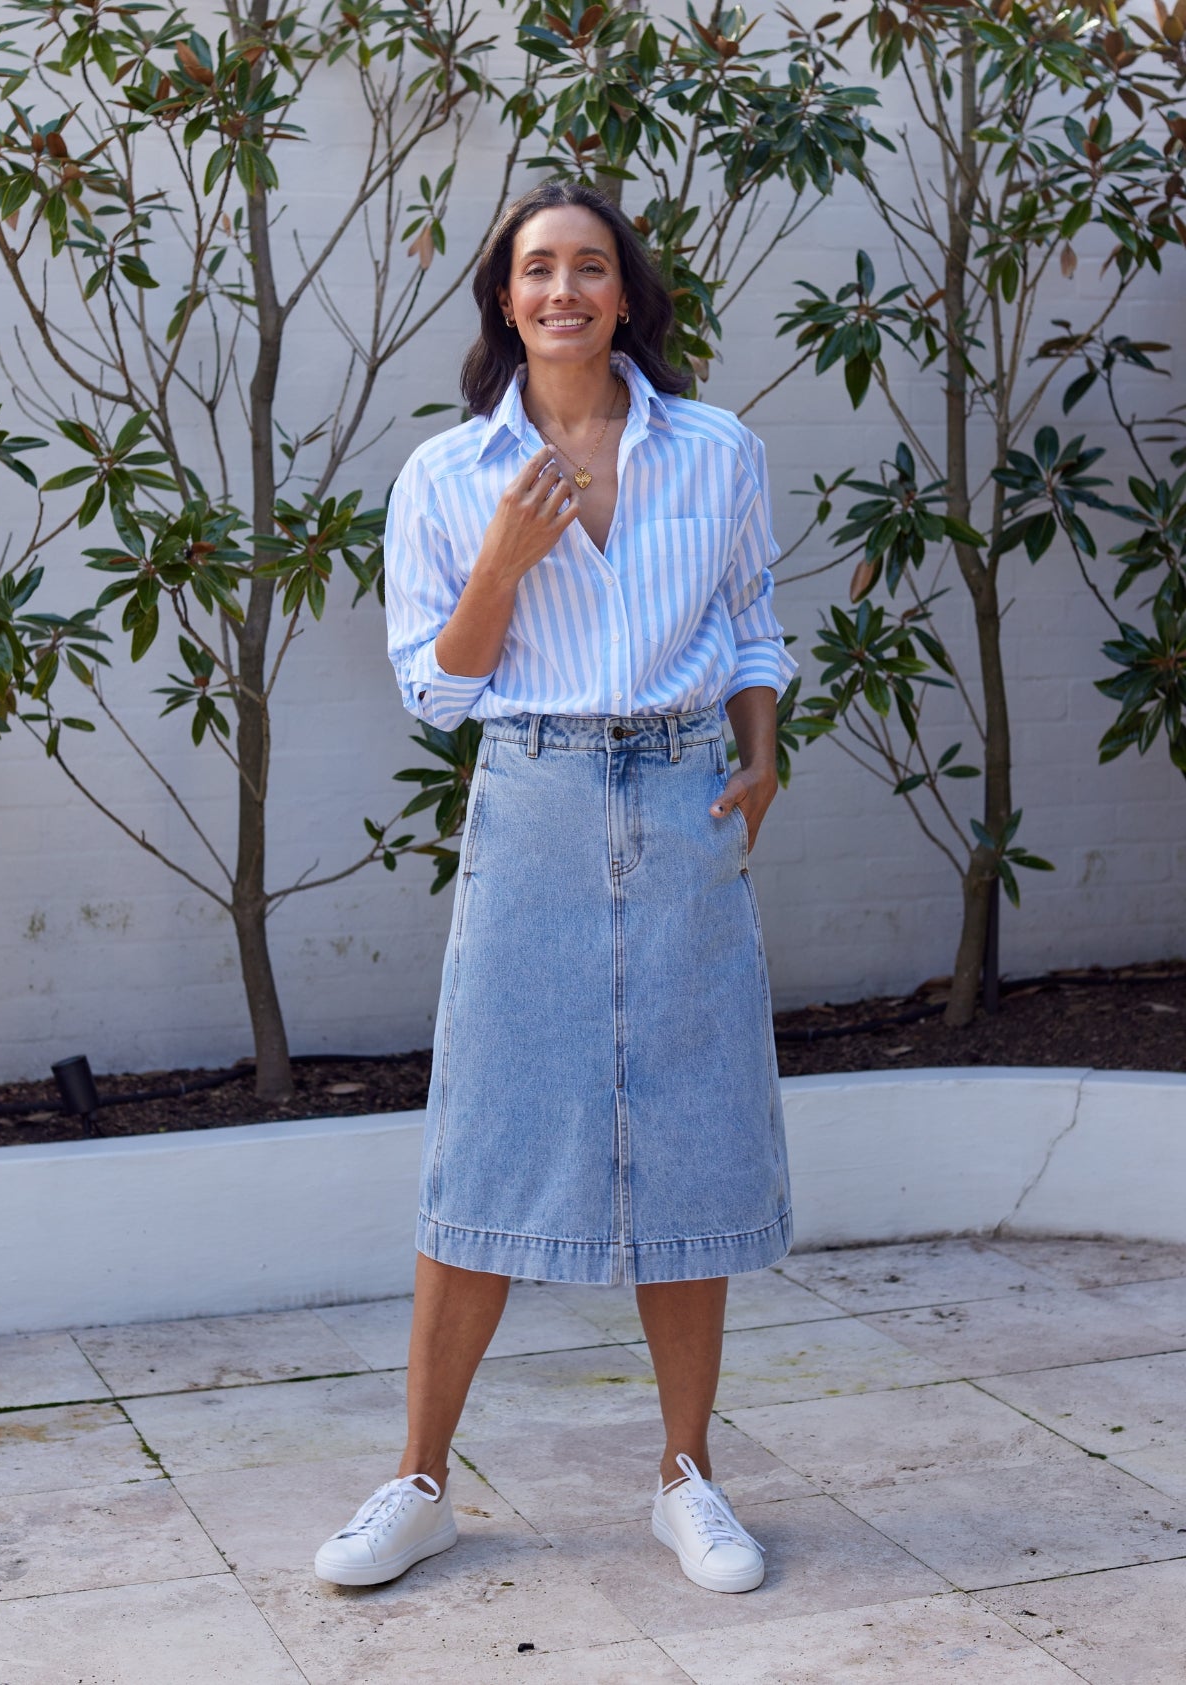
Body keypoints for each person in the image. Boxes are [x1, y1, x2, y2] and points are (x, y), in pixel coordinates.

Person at [314, 180, 796, 1597]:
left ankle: (687, 1477)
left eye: (591, 266)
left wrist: (759, 754)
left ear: (628, 295)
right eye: (538, 270)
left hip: (683, 793)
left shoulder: (715, 450)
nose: (565, 290)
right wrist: (505, 568)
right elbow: (433, 688)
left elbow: (752, 616)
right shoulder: (449, 478)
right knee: (493, 1131)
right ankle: (417, 1481)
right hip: (530, 797)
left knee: (693, 1131)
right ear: (505, 299)